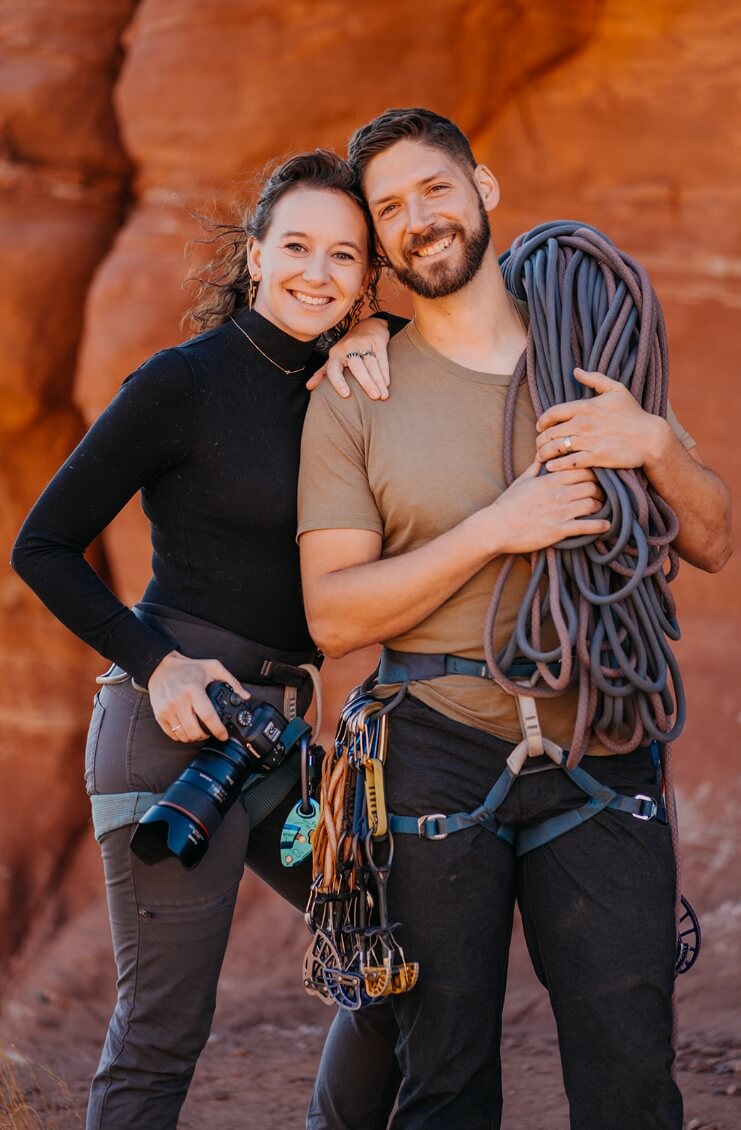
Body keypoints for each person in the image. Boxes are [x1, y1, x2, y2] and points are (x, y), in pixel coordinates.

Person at [298, 109, 733, 1130]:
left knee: (631, 1080)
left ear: (483, 189)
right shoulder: (356, 392)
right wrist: (496, 526)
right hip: (433, 754)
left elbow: (709, 536)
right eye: (390, 208)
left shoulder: (588, 347)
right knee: (442, 1079)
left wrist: (649, 443)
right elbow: (330, 615)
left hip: (602, 745)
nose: (418, 220)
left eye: (433, 189)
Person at [10, 149, 399, 1130]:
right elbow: (42, 544)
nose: (317, 272)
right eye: (297, 246)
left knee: (397, 952)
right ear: (256, 255)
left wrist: (384, 333)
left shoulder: (349, 383)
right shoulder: (183, 382)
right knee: (161, 1031)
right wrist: (158, 663)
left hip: (278, 745)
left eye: (344, 256)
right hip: (172, 731)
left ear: (364, 277)